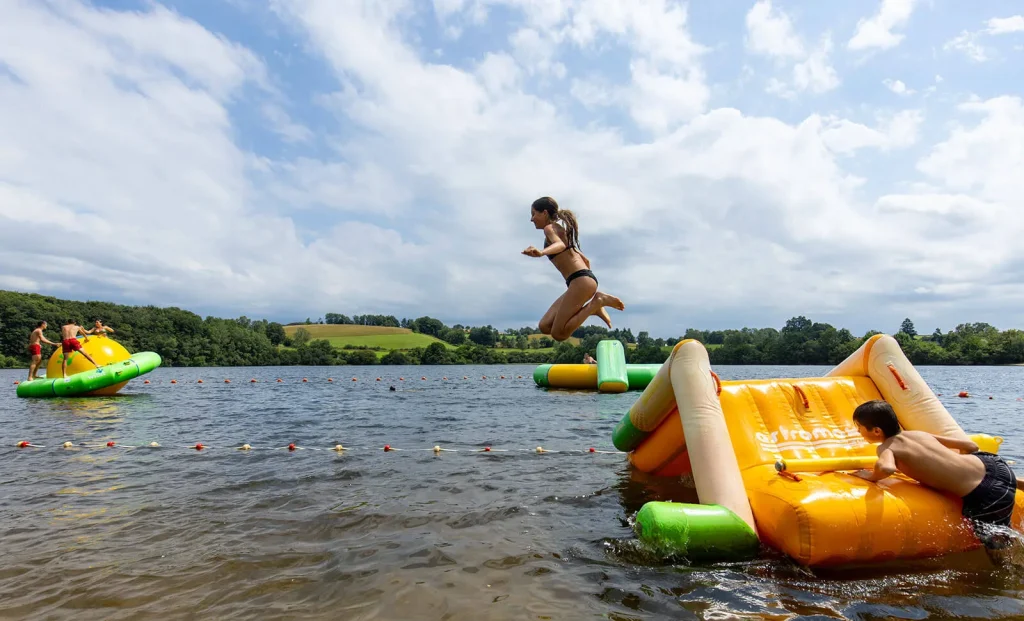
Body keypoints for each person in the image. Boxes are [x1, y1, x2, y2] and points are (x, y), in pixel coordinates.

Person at [851, 400, 1022, 542]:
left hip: (986, 495)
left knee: (995, 543)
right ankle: (1015, 482)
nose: (859, 432)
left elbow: (887, 468)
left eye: (859, 427)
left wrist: (871, 476)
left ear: (876, 431)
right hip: (994, 466)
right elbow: (971, 446)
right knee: (993, 477)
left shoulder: (886, 447)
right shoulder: (918, 434)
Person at [521, 197, 624, 342]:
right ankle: (594, 306)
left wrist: (541, 252)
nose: (532, 219)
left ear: (544, 213)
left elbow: (560, 246)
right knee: (545, 326)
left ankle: (597, 302)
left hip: (580, 280)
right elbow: (585, 260)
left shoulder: (549, 228)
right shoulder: (561, 231)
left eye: (534, 214)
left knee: (559, 334)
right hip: (581, 280)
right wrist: (586, 289)